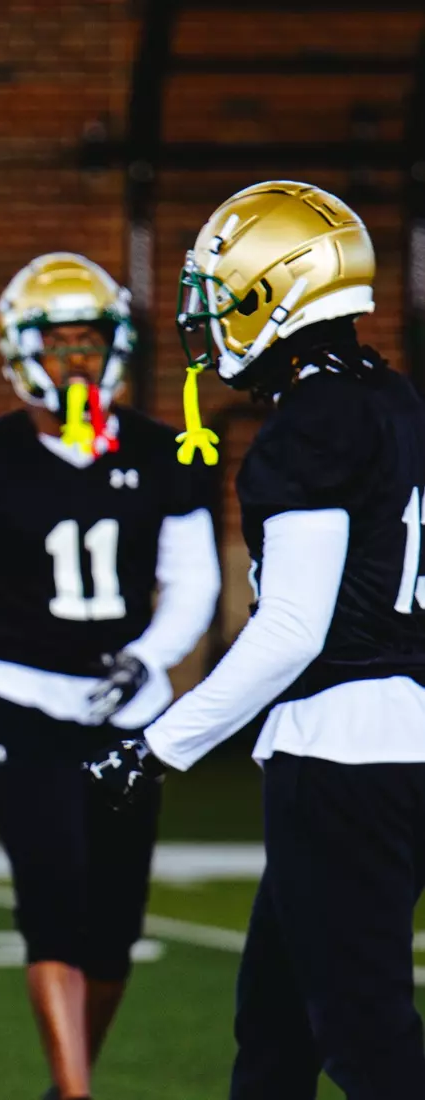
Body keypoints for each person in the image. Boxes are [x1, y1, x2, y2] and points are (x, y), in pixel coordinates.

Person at [86, 181, 425, 1100]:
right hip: (400, 741)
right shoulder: (395, 402)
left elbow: (291, 632)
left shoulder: (312, 425)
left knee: (365, 1037)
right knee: (273, 1025)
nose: (205, 314)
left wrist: (158, 748)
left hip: (342, 752)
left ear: (275, 290)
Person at [0, 253, 221, 1100]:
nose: (78, 360)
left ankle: (66, 1086)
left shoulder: (164, 451)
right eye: (60, 342)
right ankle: (75, 1093)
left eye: (91, 341)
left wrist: (147, 656)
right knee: (51, 895)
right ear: (19, 350)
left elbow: (196, 584)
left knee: (114, 927)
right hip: (26, 701)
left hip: (130, 713)